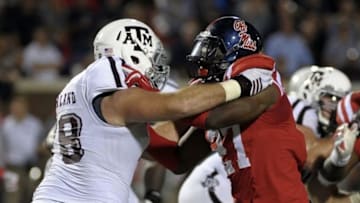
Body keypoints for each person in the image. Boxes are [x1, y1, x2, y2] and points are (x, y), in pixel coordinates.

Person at [31, 18, 271, 202]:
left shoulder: (103, 103)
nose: (156, 69)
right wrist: (242, 84)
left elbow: (173, 155)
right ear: (131, 51)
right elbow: (179, 105)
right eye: (153, 58)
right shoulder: (105, 73)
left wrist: (211, 120)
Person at [147, 16, 309, 203]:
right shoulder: (218, 106)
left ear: (238, 52)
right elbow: (180, 160)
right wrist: (136, 133)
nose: (204, 60)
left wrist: (174, 107)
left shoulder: (261, 75)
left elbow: (215, 118)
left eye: (214, 53)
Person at [177, 66, 357, 203]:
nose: (336, 111)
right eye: (331, 101)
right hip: (218, 187)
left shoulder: (319, 137)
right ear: (310, 91)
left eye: (341, 103)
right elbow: (309, 153)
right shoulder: (299, 108)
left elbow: (321, 195)